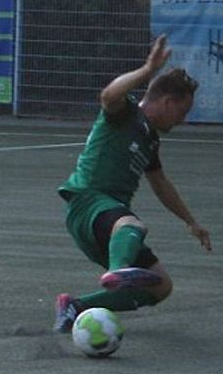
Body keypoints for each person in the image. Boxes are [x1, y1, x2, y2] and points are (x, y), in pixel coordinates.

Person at [53, 34, 212, 334]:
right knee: (133, 226)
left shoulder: (150, 137)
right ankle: (118, 272)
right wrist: (147, 71)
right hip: (89, 203)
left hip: (110, 225)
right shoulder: (126, 115)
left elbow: (161, 183)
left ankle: (75, 307)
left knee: (160, 286)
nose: (182, 120)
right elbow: (108, 96)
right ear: (166, 102)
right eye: (182, 111)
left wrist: (191, 222)